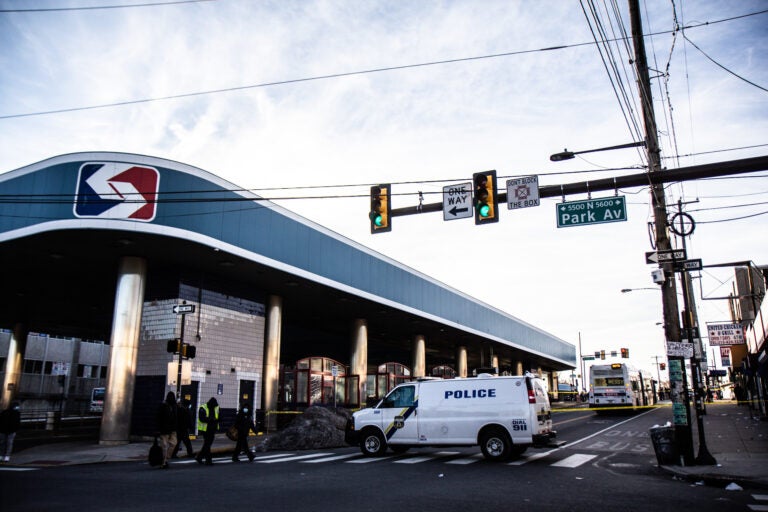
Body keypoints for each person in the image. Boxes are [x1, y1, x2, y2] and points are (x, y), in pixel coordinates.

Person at [155, 391, 178, 469]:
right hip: (164, 429)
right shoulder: (163, 406)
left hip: (172, 429)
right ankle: (164, 462)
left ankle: (166, 459)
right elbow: (159, 418)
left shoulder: (174, 406)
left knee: (173, 444)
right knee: (164, 446)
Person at [196, 397, 219, 465]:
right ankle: (208, 460)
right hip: (205, 429)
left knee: (207, 444)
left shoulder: (216, 407)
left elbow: (219, 416)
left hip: (212, 428)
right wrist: (210, 419)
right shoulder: (203, 408)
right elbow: (202, 418)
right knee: (207, 444)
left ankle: (200, 457)